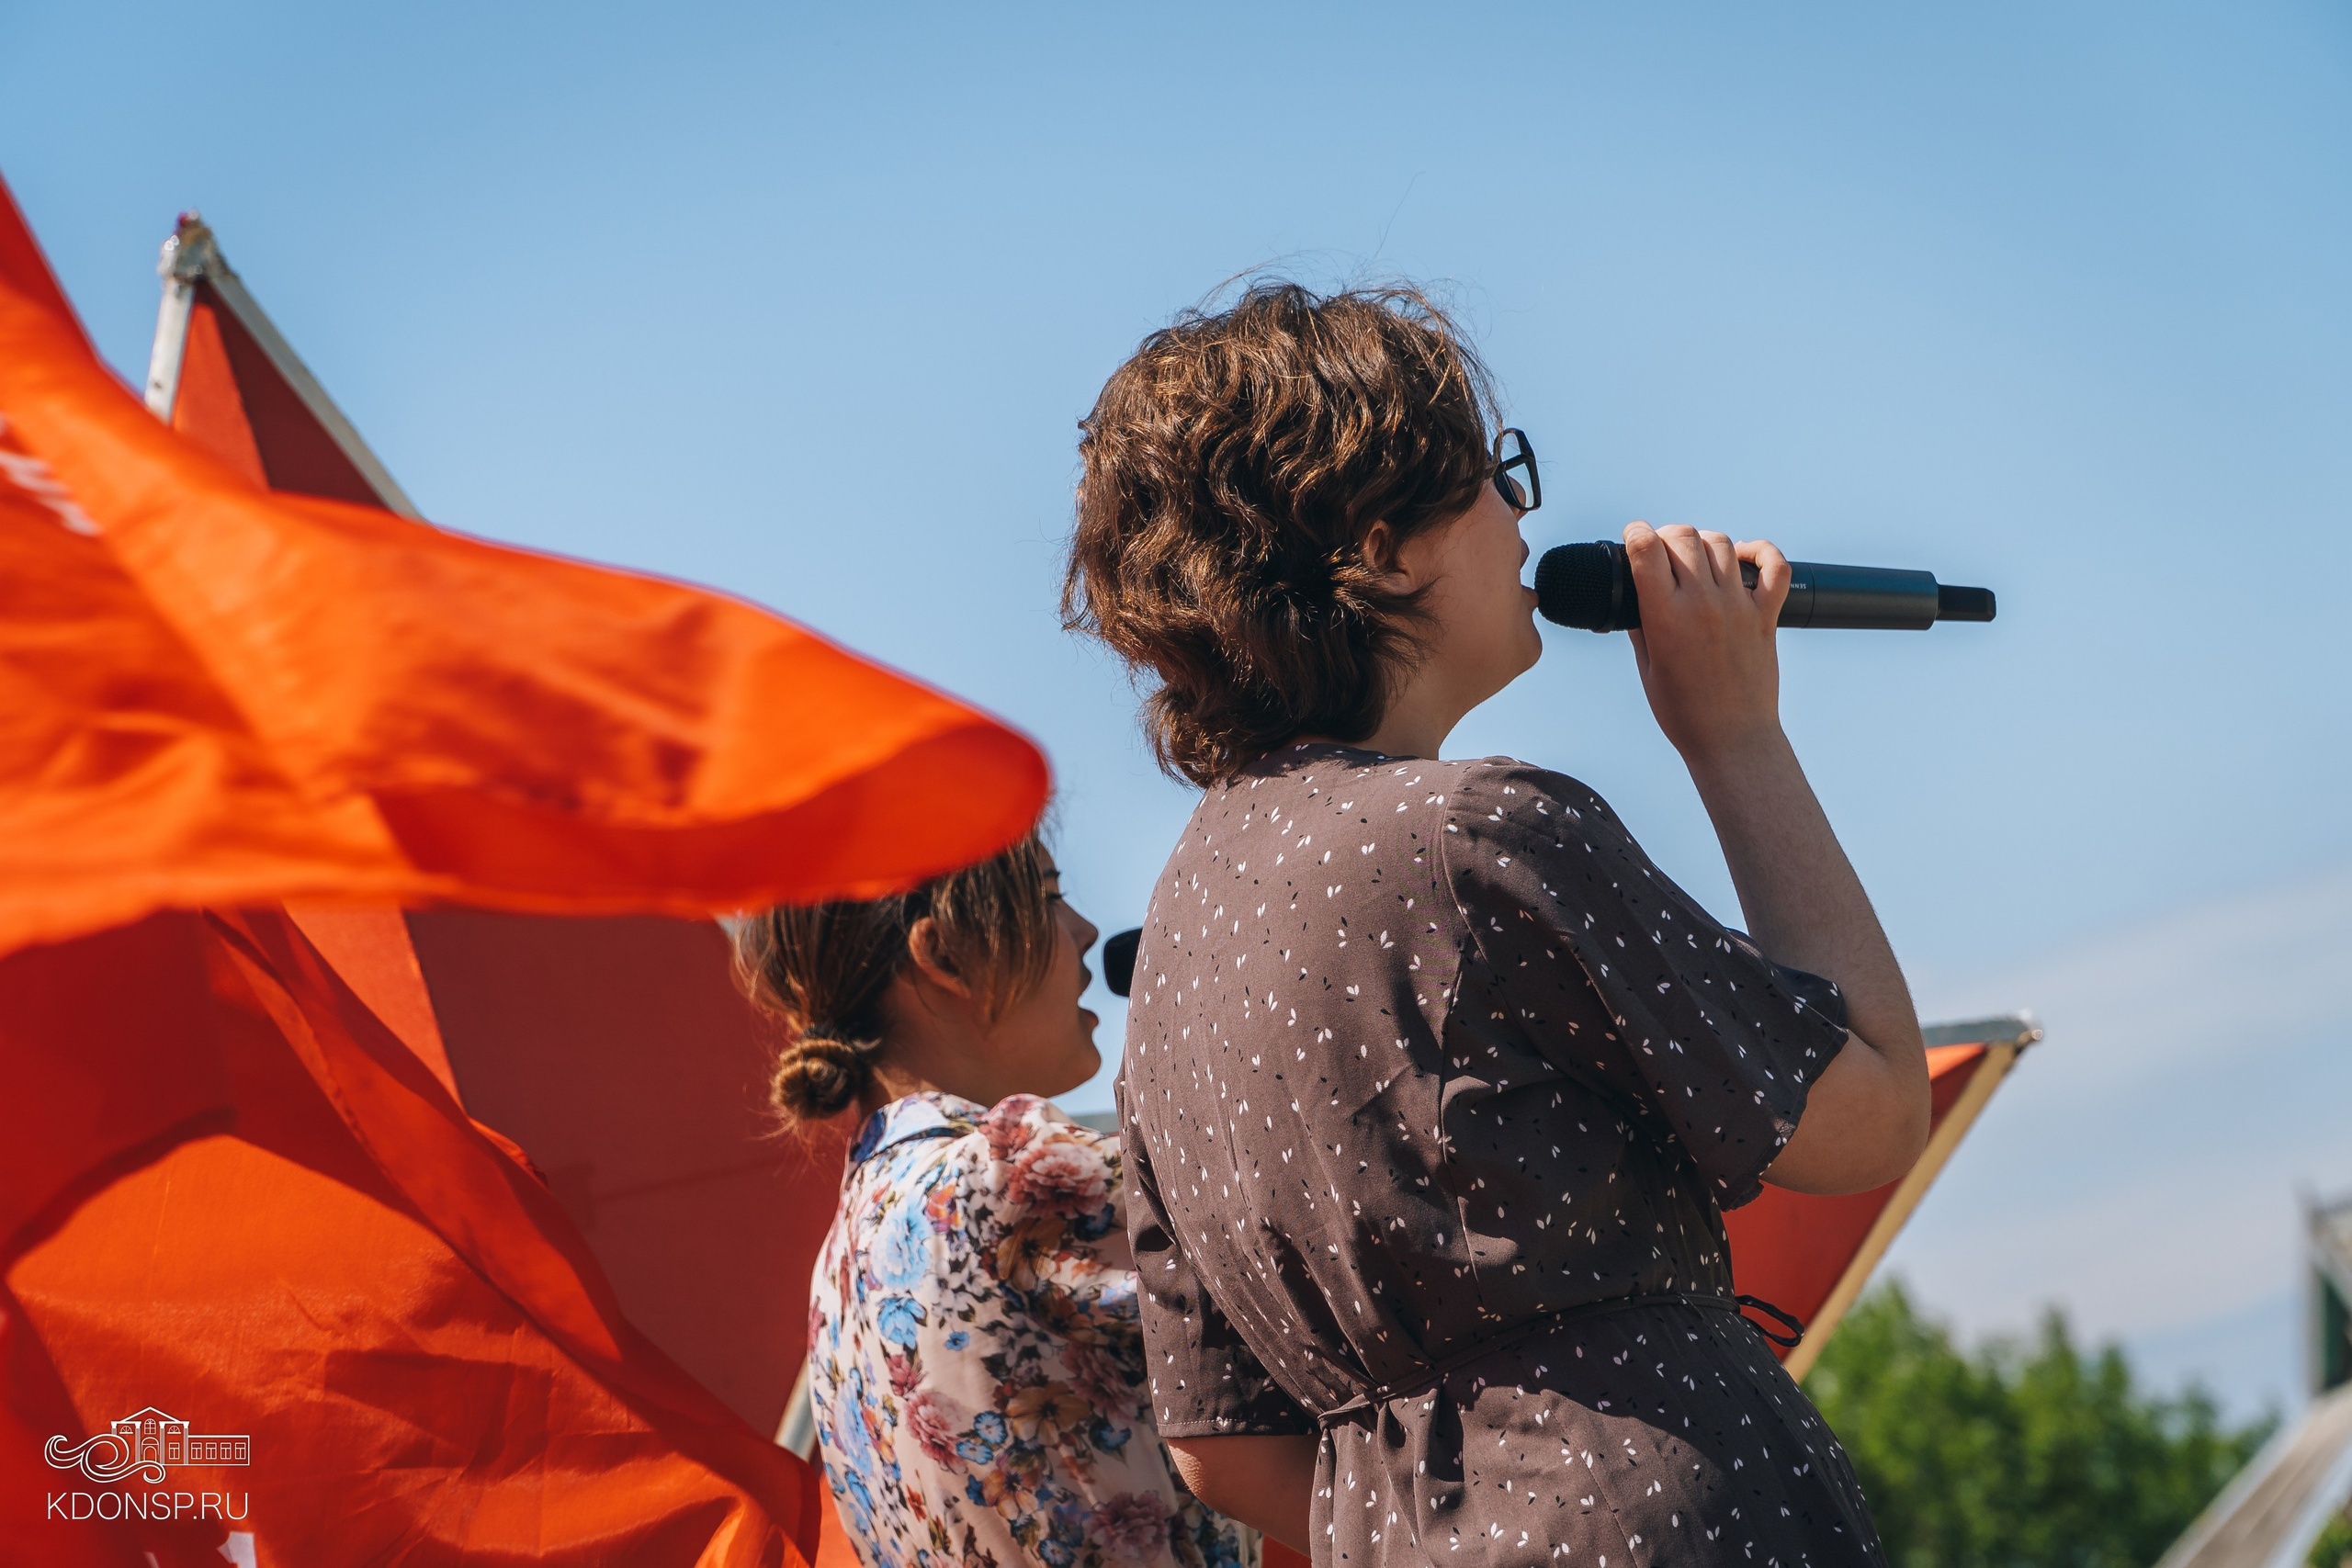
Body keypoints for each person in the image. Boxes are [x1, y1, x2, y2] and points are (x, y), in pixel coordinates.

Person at [1061, 282, 1930, 1568]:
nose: (1520, 516)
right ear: (1380, 545)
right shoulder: (1478, 835)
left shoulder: (1176, 947)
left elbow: (1220, 1443)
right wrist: (1737, 733)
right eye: (1485, 475)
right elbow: (1869, 1112)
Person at [735, 831, 1258, 1568]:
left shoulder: (842, 1262)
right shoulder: (1004, 1178)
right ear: (944, 953)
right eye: (1048, 896)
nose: (1083, 930)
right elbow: (1333, 1238)